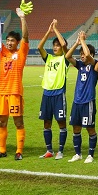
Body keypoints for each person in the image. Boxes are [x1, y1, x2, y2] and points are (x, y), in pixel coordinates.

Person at [0, 6, 29, 160]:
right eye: (8, 40)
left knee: (18, 122)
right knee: (1, 121)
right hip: (2, 92)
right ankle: (2, 150)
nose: (9, 43)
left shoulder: (21, 53)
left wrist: (22, 18)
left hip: (15, 92)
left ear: (17, 43)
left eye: (12, 40)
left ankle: (19, 151)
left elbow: (26, 36)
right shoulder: (3, 52)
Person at [66, 32, 98, 162]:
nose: (82, 56)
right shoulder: (80, 65)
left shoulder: (96, 65)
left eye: (84, 53)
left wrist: (82, 40)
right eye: (80, 54)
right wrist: (77, 43)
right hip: (77, 101)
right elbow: (67, 56)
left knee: (90, 128)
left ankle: (90, 155)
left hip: (88, 101)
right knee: (76, 128)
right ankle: (78, 154)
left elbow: (88, 55)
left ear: (92, 55)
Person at [37, 19, 68, 159]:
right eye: (54, 45)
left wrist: (55, 29)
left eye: (57, 45)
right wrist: (48, 32)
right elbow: (39, 47)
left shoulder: (65, 59)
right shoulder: (48, 58)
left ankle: (60, 151)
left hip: (59, 93)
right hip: (46, 93)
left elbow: (65, 44)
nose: (55, 47)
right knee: (46, 122)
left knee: (61, 122)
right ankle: (49, 150)